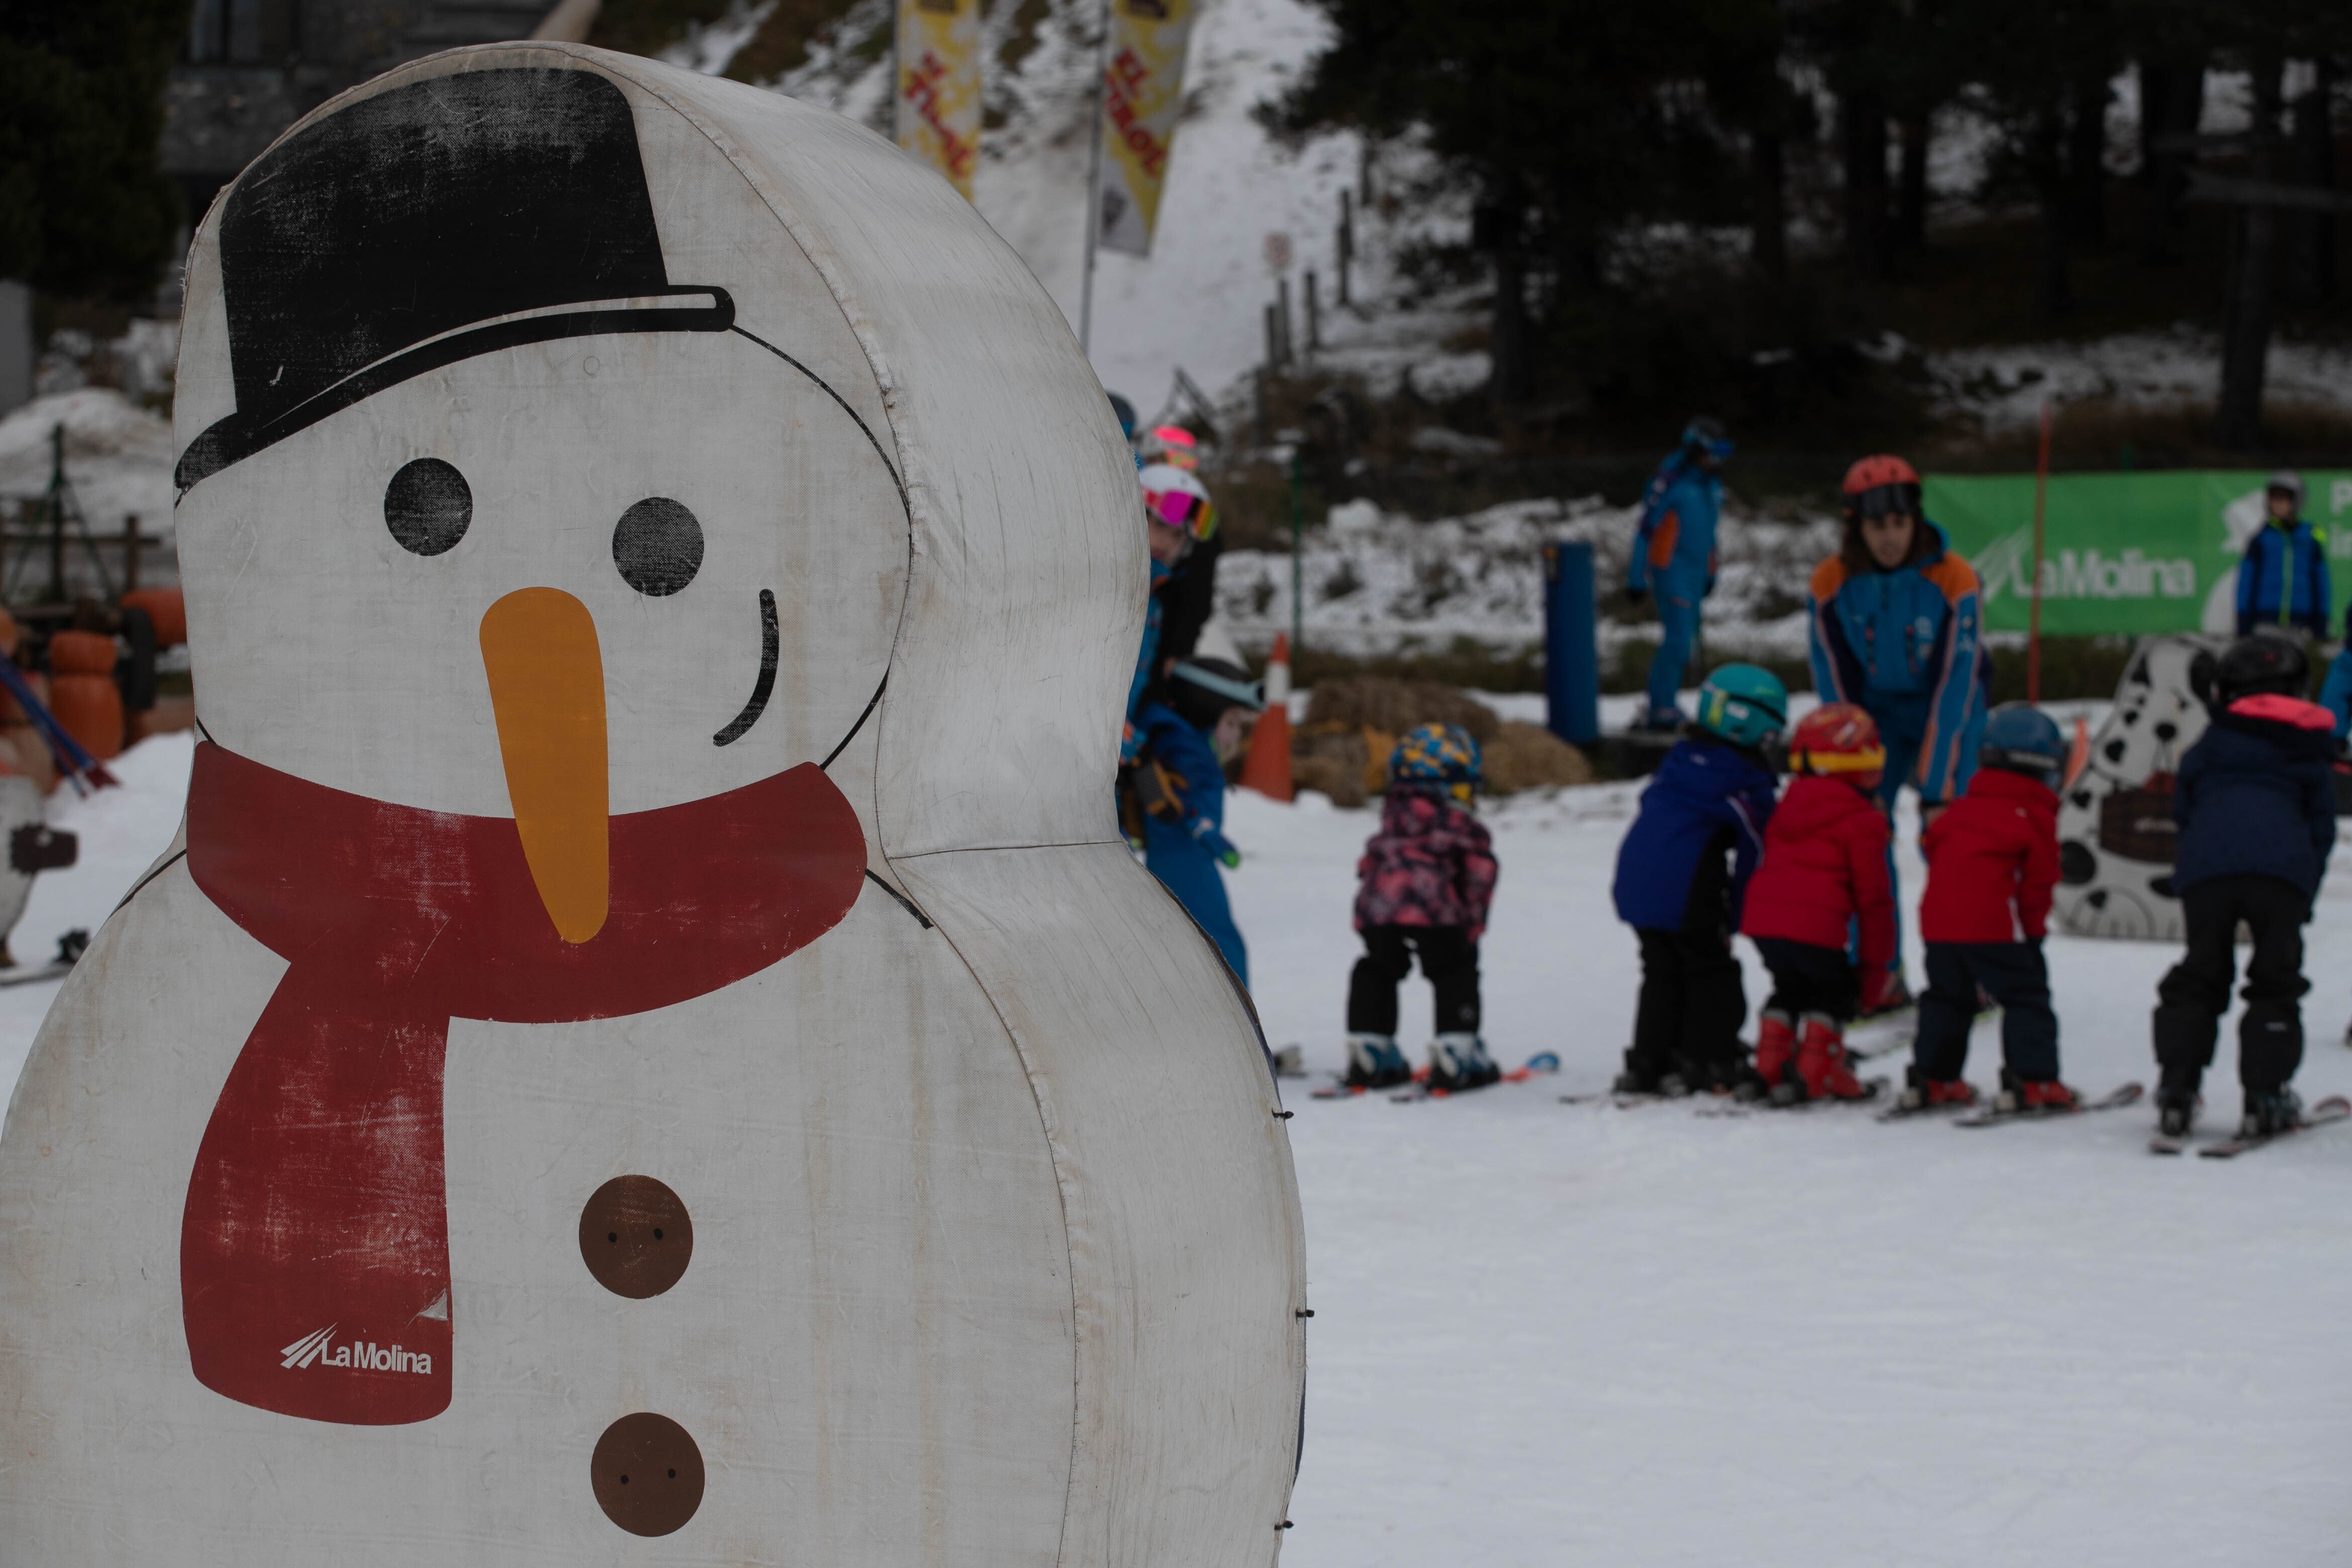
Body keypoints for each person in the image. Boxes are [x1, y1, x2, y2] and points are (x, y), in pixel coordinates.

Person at [1808, 453, 1989, 1002]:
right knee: (1863, 839)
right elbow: (1833, 678)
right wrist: (1852, 772)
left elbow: (1957, 683)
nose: (1889, 538)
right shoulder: (1831, 582)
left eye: (1899, 524)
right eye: (1876, 526)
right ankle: (1880, 974)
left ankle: (1970, 973)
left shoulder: (1955, 577)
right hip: (1874, 717)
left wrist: (1937, 787)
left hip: (1949, 710)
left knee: (1952, 839)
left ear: (1915, 520)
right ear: (1855, 527)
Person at [2150, 633, 2336, 1140]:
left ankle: (2177, 1087)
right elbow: (2321, 828)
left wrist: (2194, 867)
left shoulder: (2209, 745)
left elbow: (2184, 811)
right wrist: (2305, 892)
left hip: (2208, 873)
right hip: (2283, 874)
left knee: (2200, 976)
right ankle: (2266, 1094)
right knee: (2275, 982)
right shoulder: (2307, 749)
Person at [1609, 664, 1784, 1096]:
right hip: (1683, 891)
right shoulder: (1742, 780)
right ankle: (1711, 1058)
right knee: (1712, 971)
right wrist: (1740, 915)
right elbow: (1757, 851)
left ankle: (1649, 1060)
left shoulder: (1682, 759)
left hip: (1635, 882)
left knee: (1662, 969)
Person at [1901, 703, 2075, 1114]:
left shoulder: (1960, 810)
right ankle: (2034, 1081)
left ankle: (1934, 1079)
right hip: (1997, 926)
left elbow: (1932, 843)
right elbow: (2038, 884)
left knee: (1948, 998)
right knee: (2026, 996)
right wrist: (2032, 934)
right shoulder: (2035, 816)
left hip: (1940, 927)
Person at [1741, 704, 1900, 1103]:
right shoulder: (1863, 819)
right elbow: (1874, 902)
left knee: (1790, 988)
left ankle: (1769, 1067)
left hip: (1763, 922)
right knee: (1834, 994)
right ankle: (1819, 1074)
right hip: (1815, 928)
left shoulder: (1790, 802)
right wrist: (1876, 969)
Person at [1345, 724, 1501, 1093]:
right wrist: (1472, 926)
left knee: (1378, 967)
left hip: (1379, 910)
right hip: (1437, 911)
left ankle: (1370, 1046)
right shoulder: (1458, 823)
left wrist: (1369, 913)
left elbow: (1369, 864)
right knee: (1453, 968)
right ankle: (1456, 1048)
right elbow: (1480, 872)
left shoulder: (1392, 820)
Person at [1131, 656, 1262, 983]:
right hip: (1185, 854)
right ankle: (1238, 1030)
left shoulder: (1179, 739)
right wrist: (1212, 839)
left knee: (1190, 943)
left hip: (1177, 854)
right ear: (1205, 707)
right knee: (1219, 942)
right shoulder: (1184, 746)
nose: (1235, 735)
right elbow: (1181, 804)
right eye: (1231, 723)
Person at [1626, 417, 1734, 731]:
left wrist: (1712, 572)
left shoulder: (1711, 487)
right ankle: (1661, 707)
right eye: (1714, 453)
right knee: (1677, 642)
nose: (1718, 461)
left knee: (1689, 644)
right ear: (1696, 451)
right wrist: (1637, 577)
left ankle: (1671, 702)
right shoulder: (1670, 483)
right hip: (1671, 571)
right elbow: (1646, 531)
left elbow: (1709, 535)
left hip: (1696, 574)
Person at [2233, 469, 2329, 639]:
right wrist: (2244, 619)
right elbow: (2246, 582)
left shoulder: (2310, 539)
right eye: (2274, 499)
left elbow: (2321, 582)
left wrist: (2321, 619)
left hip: (2301, 624)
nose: (2278, 504)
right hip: (2265, 622)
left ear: (2297, 502)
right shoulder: (2261, 539)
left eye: (2284, 499)